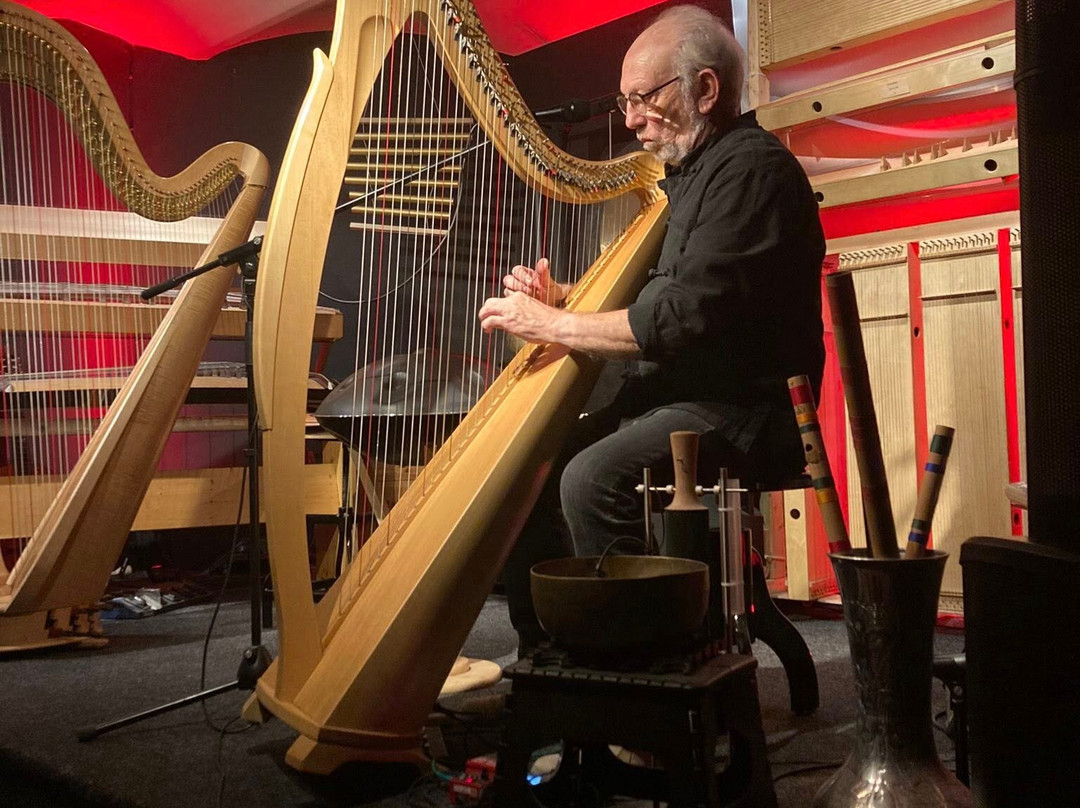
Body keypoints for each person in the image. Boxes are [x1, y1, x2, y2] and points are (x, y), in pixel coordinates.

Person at [478, 5, 825, 650]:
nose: (631, 118)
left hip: (746, 405)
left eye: (643, 98)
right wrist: (562, 302)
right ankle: (551, 652)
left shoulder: (751, 171)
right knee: (529, 465)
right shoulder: (694, 176)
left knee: (588, 477)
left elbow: (680, 319)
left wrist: (553, 321)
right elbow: (663, 302)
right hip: (688, 393)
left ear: (705, 89)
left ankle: (645, 663)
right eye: (625, 100)